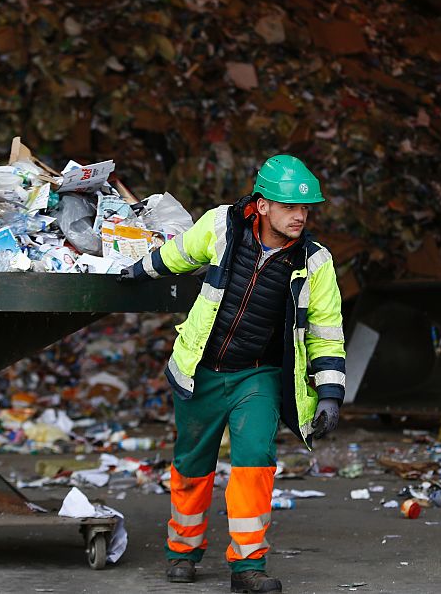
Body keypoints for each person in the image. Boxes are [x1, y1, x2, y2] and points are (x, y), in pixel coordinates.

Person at [120, 155, 346, 593]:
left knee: (255, 463)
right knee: (191, 465)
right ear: (262, 206)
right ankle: (182, 551)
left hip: (257, 376)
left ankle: (248, 565)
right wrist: (134, 272)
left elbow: (326, 333)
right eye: (289, 206)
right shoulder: (222, 226)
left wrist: (331, 392)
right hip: (200, 370)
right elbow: (178, 254)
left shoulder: (315, 262)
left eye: (306, 208)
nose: (300, 215)